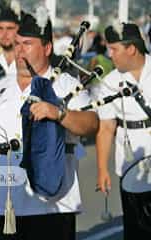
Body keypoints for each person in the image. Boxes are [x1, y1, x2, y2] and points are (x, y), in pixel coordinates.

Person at [0, 8, 99, 240]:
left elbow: (91, 124)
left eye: (28, 44)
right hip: (5, 208)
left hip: (52, 206)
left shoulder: (66, 84)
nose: (20, 50)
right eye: (18, 43)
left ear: (47, 48)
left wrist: (58, 113)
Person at [95, 22, 151, 239]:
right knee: (137, 229)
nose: (110, 55)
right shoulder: (109, 83)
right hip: (131, 167)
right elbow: (106, 128)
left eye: (114, 49)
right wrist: (102, 170)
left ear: (131, 48)